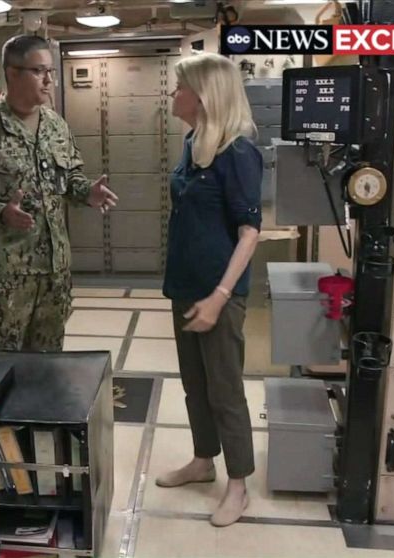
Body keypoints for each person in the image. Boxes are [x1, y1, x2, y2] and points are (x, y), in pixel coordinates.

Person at [0, 34, 118, 352]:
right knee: (4, 365)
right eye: (39, 71)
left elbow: (68, 178)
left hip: (53, 273)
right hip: (3, 276)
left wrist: (86, 192)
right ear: (12, 73)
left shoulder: (55, 125)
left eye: (50, 71)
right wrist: (0, 212)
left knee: (49, 364)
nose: (50, 79)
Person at [155, 53, 263, 528]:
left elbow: (249, 233)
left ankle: (238, 484)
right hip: (186, 286)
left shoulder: (239, 151)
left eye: (179, 87)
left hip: (219, 293)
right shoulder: (195, 141)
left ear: (202, 96)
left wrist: (220, 297)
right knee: (195, 385)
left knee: (225, 389)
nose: (172, 94)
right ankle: (203, 461)